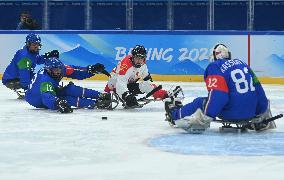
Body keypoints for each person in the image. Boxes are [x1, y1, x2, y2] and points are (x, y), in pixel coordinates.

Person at [164, 43, 276, 133]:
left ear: (214, 56)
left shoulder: (215, 66)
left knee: (200, 102)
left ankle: (174, 116)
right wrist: (261, 113)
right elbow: (259, 90)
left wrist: (208, 116)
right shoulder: (243, 64)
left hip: (232, 113)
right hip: (252, 112)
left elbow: (219, 95)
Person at [25, 57, 115, 113]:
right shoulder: (45, 81)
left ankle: (100, 95)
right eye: (56, 70)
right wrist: (57, 103)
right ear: (48, 70)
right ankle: (96, 103)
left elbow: (76, 71)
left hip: (46, 90)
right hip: (36, 98)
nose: (59, 72)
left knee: (71, 89)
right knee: (67, 99)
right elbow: (46, 98)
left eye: (60, 69)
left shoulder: (61, 69)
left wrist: (91, 70)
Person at [104, 45, 170, 108]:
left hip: (128, 85)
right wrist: (126, 96)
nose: (139, 61)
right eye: (137, 58)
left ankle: (165, 94)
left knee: (147, 85)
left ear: (144, 58)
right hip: (114, 88)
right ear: (133, 57)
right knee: (121, 83)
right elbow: (120, 84)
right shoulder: (126, 66)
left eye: (141, 58)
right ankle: (124, 97)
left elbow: (148, 80)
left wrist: (156, 90)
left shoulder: (143, 65)